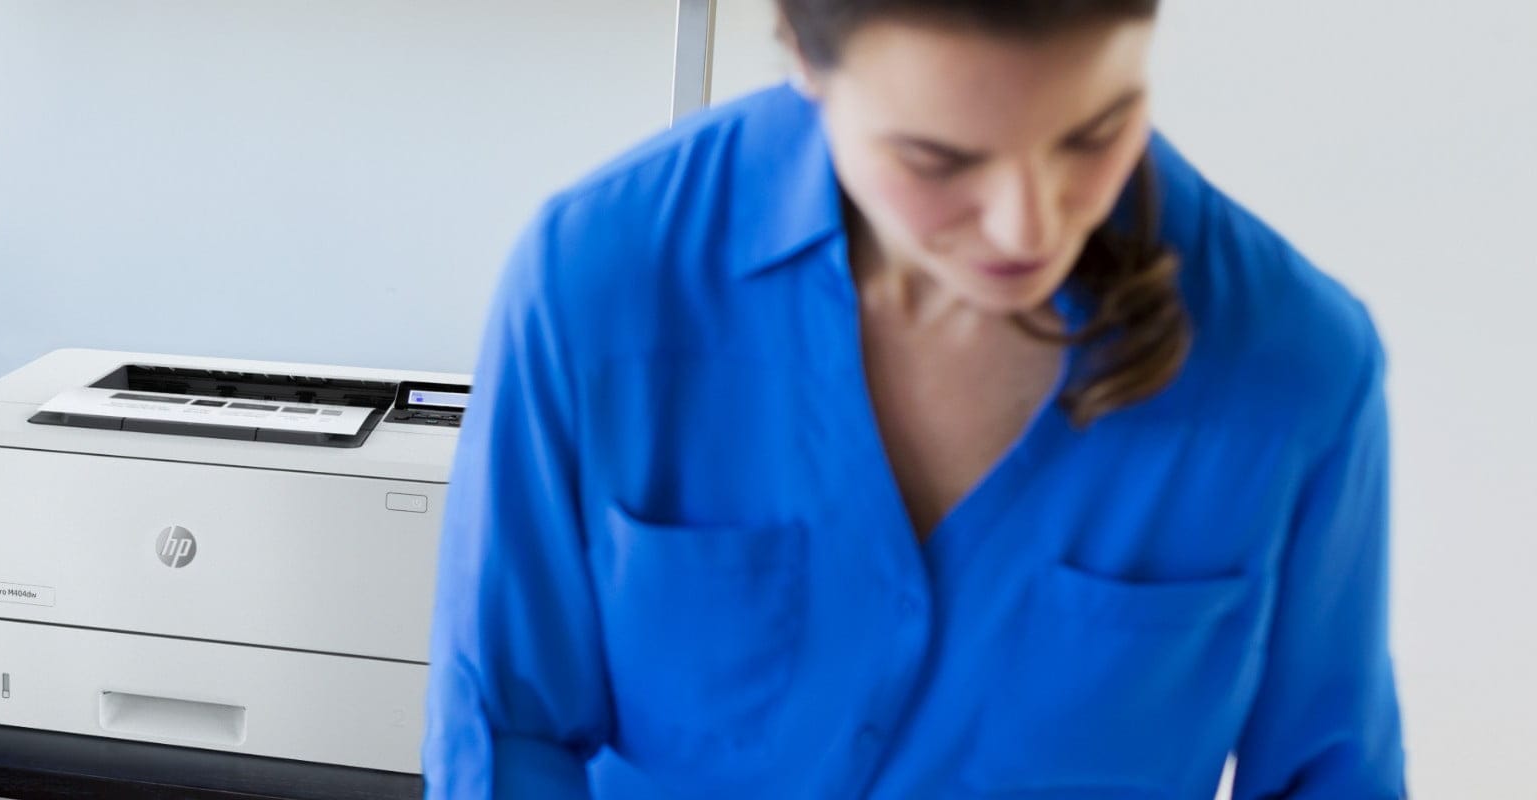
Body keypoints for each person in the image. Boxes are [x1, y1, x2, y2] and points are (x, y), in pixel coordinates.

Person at [423, 1, 1406, 796]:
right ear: (802, 56)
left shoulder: (1299, 363)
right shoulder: (598, 280)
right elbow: (504, 730)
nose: (1029, 222)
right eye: (940, 160)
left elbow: (1331, 774)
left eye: (1093, 134)